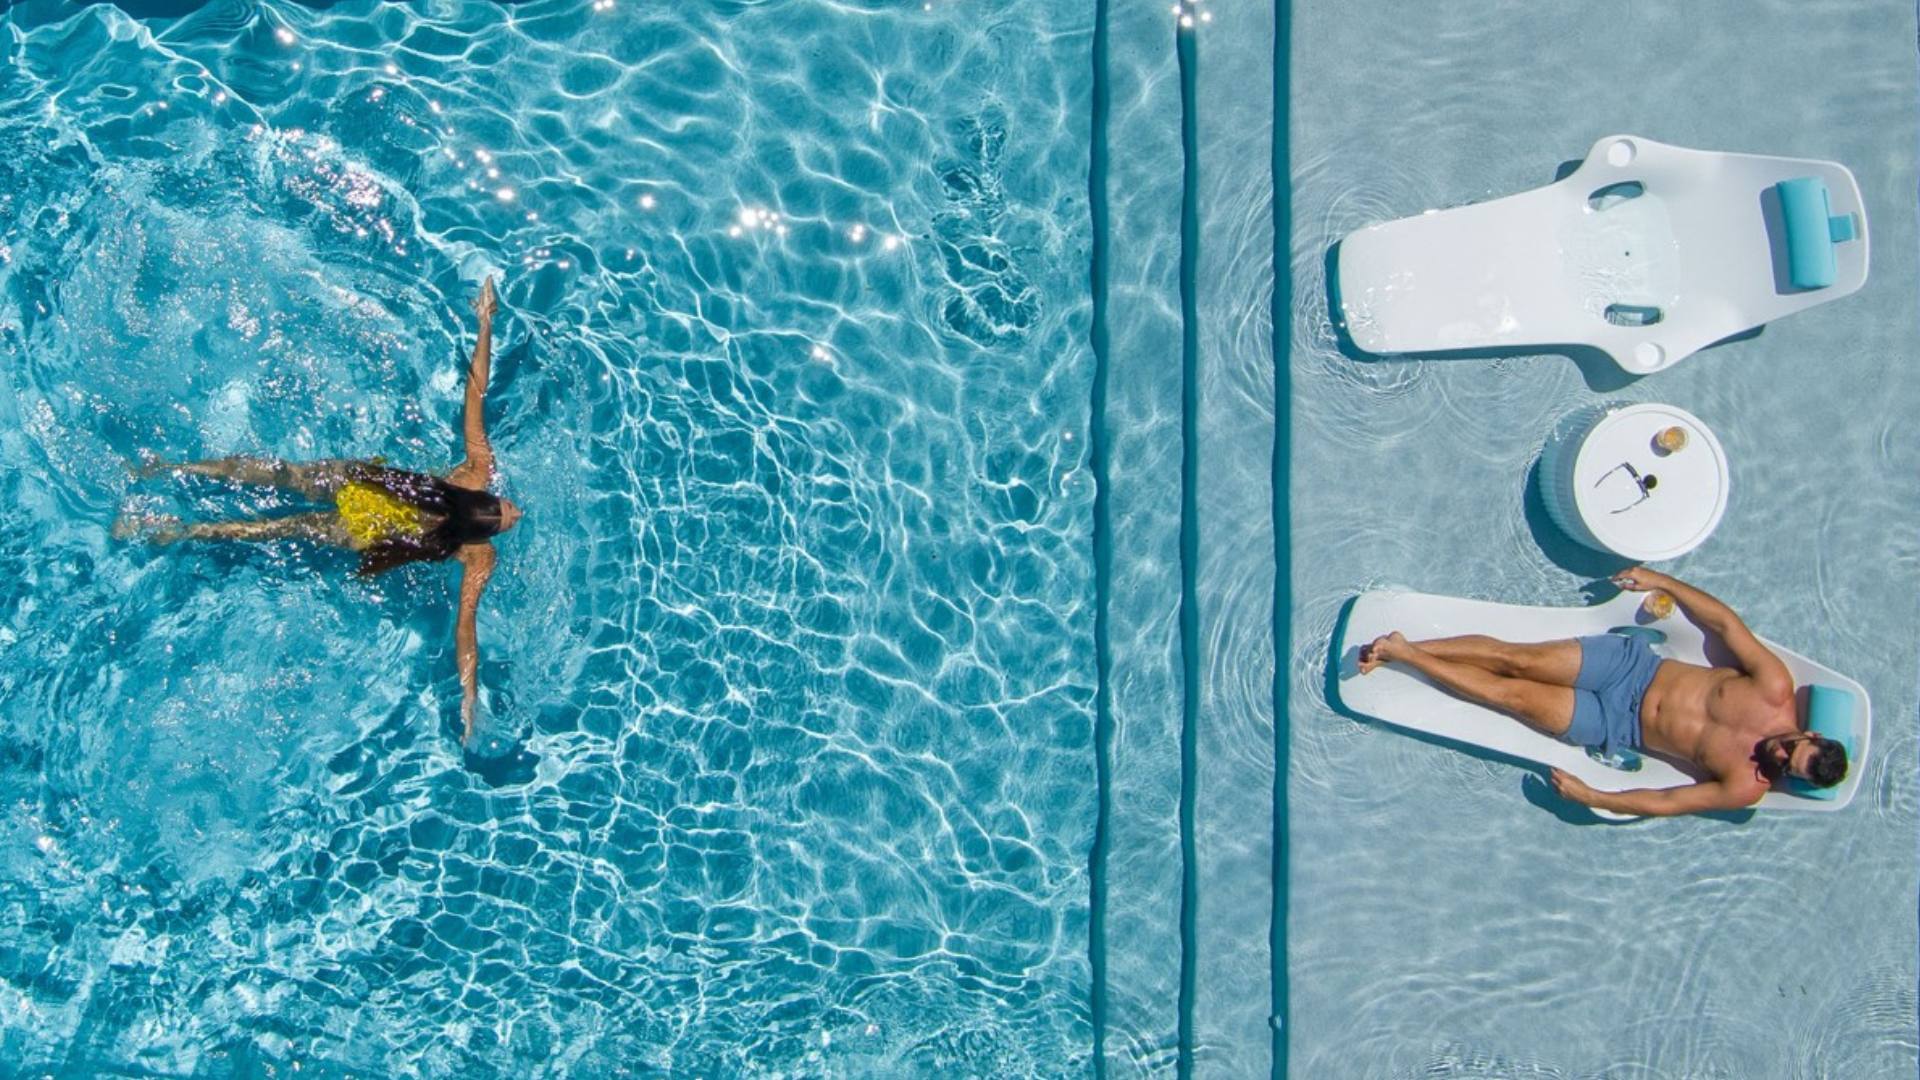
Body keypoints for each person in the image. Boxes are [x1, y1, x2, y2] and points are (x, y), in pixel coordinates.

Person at [119, 278, 518, 744]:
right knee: (272, 530)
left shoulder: (474, 473)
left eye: (505, 513)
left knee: (278, 474)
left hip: (365, 486)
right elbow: (465, 628)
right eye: (507, 511)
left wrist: (484, 323)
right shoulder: (479, 555)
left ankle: (168, 468)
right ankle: (173, 530)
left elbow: (474, 393)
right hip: (361, 528)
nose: (516, 513)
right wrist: (469, 696)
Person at [1357, 567, 1847, 817]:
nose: (1778, 756)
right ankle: (1405, 646)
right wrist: (1662, 581)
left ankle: (1405, 653)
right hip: (1632, 668)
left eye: (1787, 767)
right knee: (1517, 659)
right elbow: (1724, 622)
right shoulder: (1773, 686)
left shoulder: (1746, 786)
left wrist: (1595, 796)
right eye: (1791, 749)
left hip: (1617, 726)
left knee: (1512, 697)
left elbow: (1668, 800)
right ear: (1810, 734)